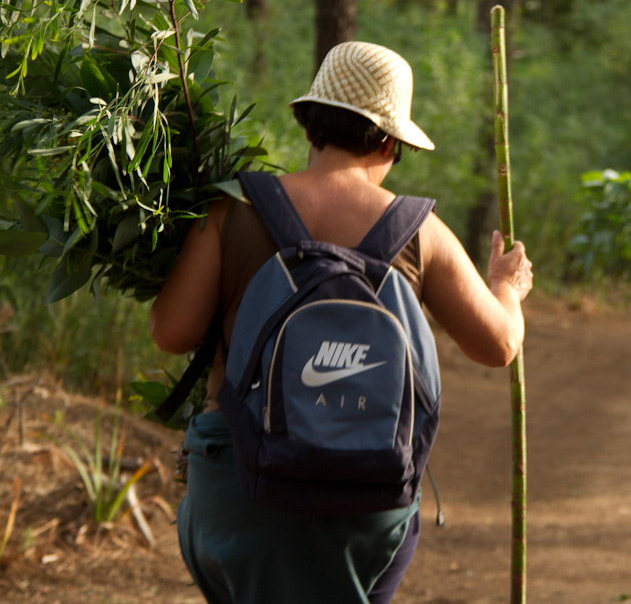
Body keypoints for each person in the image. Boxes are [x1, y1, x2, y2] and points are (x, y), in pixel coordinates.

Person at [149, 41, 533, 603]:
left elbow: (171, 333)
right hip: (367, 496)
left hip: (241, 488)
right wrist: (506, 286)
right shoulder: (419, 231)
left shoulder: (231, 209)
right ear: (390, 142)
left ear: (309, 125)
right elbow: (499, 345)